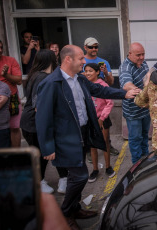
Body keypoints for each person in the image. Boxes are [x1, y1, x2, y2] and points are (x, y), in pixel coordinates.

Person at [35, 44, 140, 230]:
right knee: (80, 175)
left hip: (82, 133)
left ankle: (75, 208)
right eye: (81, 58)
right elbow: (43, 118)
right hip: (64, 139)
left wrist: (125, 93)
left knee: (79, 173)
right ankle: (66, 212)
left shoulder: (80, 79)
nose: (84, 62)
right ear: (68, 59)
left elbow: (100, 90)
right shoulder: (51, 83)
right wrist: (47, 146)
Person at [20, 49, 68, 194]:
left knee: (50, 151)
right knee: (43, 153)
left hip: (32, 123)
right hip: (34, 124)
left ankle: (63, 179)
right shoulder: (41, 78)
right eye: (55, 58)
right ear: (51, 60)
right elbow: (38, 106)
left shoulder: (36, 75)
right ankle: (40, 182)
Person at [83, 37, 119, 156]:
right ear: (85, 48)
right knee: (88, 131)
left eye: (96, 47)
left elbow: (110, 82)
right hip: (87, 102)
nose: (94, 49)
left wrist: (105, 73)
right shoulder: (81, 61)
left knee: (105, 131)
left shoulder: (104, 62)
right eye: (91, 47)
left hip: (101, 102)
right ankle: (89, 151)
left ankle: (107, 146)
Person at [83, 63, 116, 182]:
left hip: (102, 119)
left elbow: (109, 102)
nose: (87, 73)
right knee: (92, 146)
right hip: (90, 120)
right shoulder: (84, 85)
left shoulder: (103, 85)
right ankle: (95, 169)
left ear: (97, 72)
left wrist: (102, 118)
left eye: (90, 71)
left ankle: (108, 167)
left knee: (105, 143)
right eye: (86, 71)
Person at [119, 42, 151, 164]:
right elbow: (127, 84)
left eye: (143, 54)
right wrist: (139, 92)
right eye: (138, 55)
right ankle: (137, 165)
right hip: (133, 112)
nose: (142, 57)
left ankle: (146, 160)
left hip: (145, 109)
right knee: (135, 138)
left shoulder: (143, 63)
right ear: (130, 54)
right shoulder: (125, 67)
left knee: (144, 136)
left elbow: (148, 77)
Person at [0, 38, 22, 147]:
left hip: (11, 98)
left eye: (1, 47)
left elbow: (19, 80)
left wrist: (5, 75)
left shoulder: (10, 60)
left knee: (14, 127)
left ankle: (16, 156)